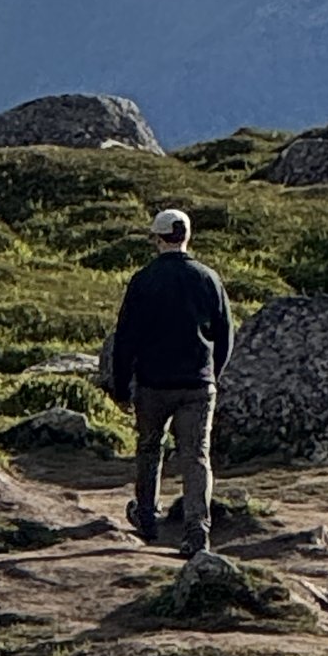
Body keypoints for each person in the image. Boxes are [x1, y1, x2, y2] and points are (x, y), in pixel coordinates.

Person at [101, 204, 232, 558]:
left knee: (148, 447)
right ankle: (197, 532)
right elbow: (225, 334)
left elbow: (126, 336)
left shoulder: (144, 280)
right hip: (198, 384)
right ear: (187, 237)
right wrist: (212, 374)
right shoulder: (209, 278)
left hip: (153, 383)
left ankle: (146, 516)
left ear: (157, 239)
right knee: (196, 457)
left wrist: (120, 383)